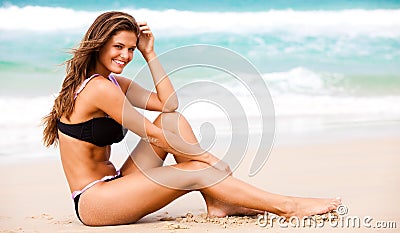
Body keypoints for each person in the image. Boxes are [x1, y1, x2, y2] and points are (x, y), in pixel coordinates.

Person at [42, 11, 341, 226]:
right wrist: (209, 160)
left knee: (172, 121)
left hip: (117, 184)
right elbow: (152, 135)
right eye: (118, 47)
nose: (126, 55)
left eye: (131, 49)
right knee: (196, 169)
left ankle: (218, 201)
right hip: (96, 202)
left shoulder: (112, 83)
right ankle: (287, 206)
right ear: (99, 43)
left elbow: (168, 104)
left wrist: (150, 53)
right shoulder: (97, 89)